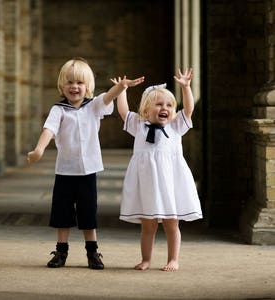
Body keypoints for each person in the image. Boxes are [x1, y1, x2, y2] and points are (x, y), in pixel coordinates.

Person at [27, 57, 144, 270]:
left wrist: (121, 86)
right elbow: (49, 130)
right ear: (62, 85)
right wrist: (39, 149)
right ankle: (61, 251)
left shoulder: (94, 106)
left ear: (87, 86)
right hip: (65, 170)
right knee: (62, 213)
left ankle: (92, 251)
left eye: (80, 83)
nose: (74, 87)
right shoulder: (58, 109)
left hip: (88, 171)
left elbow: (108, 97)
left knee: (88, 212)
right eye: (70, 82)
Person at [111, 68, 202, 271]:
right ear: (145, 111)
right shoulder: (139, 125)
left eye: (169, 105)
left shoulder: (175, 126)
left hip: (170, 182)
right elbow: (123, 112)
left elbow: (188, 109)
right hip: (147, 183)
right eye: (159, 104)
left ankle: (173, 259)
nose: (165, 108)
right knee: (148, 225)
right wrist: (122, 90)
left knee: (172, 223)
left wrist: (186, 88)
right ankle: (146, 259)